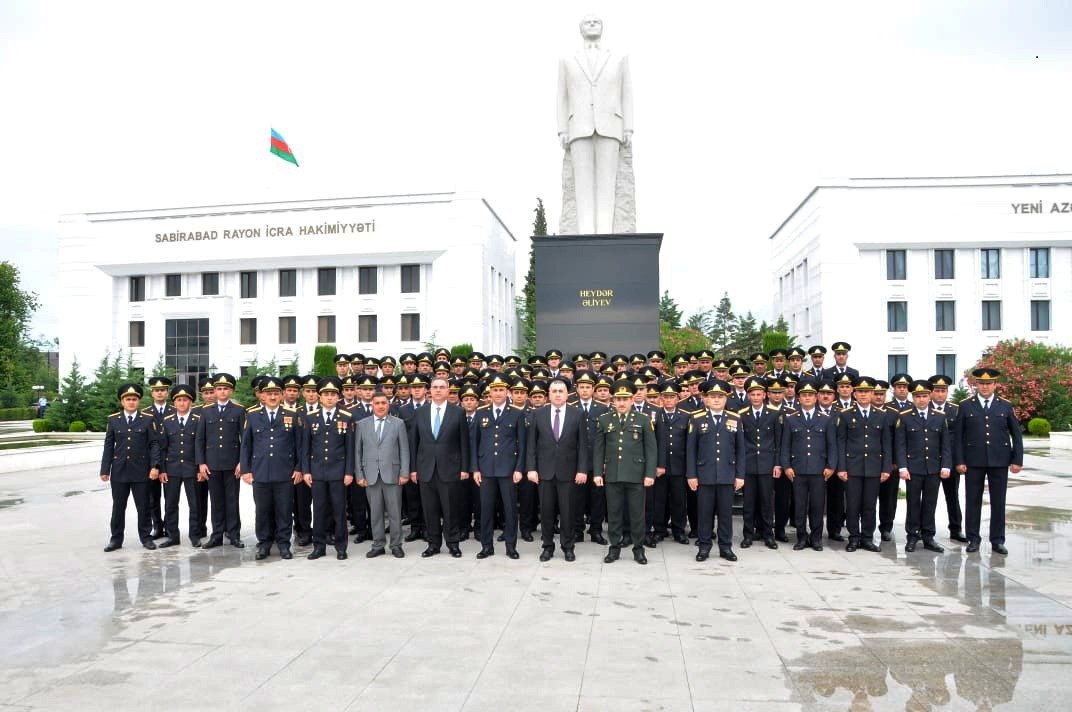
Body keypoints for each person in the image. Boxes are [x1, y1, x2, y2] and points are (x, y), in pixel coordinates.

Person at [557, 14, 634, 234]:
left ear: (603, 27)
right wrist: (562, 128)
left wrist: (628, 126)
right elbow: (561, 96)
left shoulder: (619, 57)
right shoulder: (567, 59)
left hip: (611, 126)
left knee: (607, 184)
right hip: (578, 127)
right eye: (588, 22)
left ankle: (605, 232)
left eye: (597, 21)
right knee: (582, 184)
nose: (592, 24)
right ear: (580, 28)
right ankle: (585, 232)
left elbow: (626, 94)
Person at [954, 368, 1024, 555]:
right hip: (973, 461)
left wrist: (1017, 460)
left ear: (995, 385)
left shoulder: (1005, 406)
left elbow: (1016, 435)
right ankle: (973, 539)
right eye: (981, 383)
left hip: (1000, 460)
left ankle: (997, 540)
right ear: (975, 384)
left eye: (988, 383)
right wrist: (959, 460)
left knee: (999, 502)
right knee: (973, 501)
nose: (984, 387)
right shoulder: (966, 405)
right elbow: (958, 436)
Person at [239, 377, 305, 560]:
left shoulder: (292, 415)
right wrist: (246, 470)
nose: (273, 396)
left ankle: (284, 544)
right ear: (262, 396)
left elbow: (299, 445)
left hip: (285, 472)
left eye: (276, 393)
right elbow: (246, 445)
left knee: (284, 510)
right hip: (260, 472)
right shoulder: (252, 416)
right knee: (262, 510)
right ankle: (264, 544)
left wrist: (299, 468)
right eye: (269, 394)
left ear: (282, 395)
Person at [593, 379, 656, 565]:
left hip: (636, 475)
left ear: (631, 400)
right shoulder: (605, 420)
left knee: (637, 515)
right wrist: (597, 473)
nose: (621, 403)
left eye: (625, 399)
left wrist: (650, 474)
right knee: (614, 514)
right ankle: (614, 549)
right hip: (613, 475)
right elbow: (599, 449)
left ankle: (638, 549)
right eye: (618, 399)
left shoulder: (643, 419)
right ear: (613, 400)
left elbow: (651, 449)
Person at [526, 378, 590, 562]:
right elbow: (531, 445)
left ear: (567, 394)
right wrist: (531, 468)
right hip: (544, 472)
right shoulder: (538, 413)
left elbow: (583, 446)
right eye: (554, 391)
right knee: (546, 512)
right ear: (549, 394)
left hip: (568, 472)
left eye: (561, 391)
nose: (557, 394)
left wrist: (582, 470)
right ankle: (547, 547)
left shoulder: (577, 414)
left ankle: (568, 547)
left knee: (568, 512)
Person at [409, 376, 471, 558]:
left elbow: (464, 443)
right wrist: (413, 469)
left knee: (451, 509)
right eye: (435, 387)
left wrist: (464, 468)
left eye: (442, 387)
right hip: (426, 469)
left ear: (448, 390)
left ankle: (453, 543)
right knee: (430, 510)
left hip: (450, 469)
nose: (438, 390)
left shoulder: (458, 412)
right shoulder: (420, 412)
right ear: (430, 390)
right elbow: (414, 443)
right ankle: (433, 544)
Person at [686, 379, 745, 562]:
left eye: (720, 397)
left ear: (726, 399)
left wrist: (740, 475)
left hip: (727, 474)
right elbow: (691, 450)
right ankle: (704, 547)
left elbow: (741, 449)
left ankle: (725, 547)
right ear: (706, 399)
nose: (717, 400)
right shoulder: (696, 418)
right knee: (704, 514)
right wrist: (692, 475)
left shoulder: (734, 418)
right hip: (705, 475)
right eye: (713, 396)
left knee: (726, 514)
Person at [471, 374, 527, 559]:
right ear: (490, 392)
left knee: (510, 509)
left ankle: (511, 546)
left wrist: (519, 468)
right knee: (485, 509)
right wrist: (475, 469)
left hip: (508, 470)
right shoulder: (481, 412)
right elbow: (474, 443)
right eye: (494, 390)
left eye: (501, 390)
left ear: (507, 392)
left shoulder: (517, 413)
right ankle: (487, 546)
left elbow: (522, 444)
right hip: (486, 469)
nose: (497, 393)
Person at [100, 383, 161, 551]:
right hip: (119, 471)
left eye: (134, 399)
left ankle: (146, 538)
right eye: (128, 399)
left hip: (141, 470)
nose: (131, 402)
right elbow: (108, 446)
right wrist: (105, 470)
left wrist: (155, 466)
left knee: (143, 506)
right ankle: (116, 539)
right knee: (118, 507)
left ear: (138, 401)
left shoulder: (147, 419)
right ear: (122, 402)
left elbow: (154, 444)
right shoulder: (113, 420)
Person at [835, 377, 892, 553]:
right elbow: (841, 443)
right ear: (855, 393)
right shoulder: (845, 415)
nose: (864, 395)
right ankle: (853, 538)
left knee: (869, 505)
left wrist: (886, 468)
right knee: (852, 504)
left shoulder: (882, 415)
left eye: (867, 392)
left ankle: (867, 538)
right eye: (860, 392)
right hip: (852, 467)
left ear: (872, 394)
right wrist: (842, 467)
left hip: (874, 467)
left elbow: (886, 444)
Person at [894, 380, 952, 553]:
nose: (921, 399)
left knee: (930, 503)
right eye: (918, 396)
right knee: (913, 503)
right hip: (913, 468)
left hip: (933, 468)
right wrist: (902, 467)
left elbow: (945, 445)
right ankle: (912, 536)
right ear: (913, 398)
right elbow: (900, 445)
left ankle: (928, 537)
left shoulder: (940, 417)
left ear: (930, 396)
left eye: (924, 396)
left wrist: (946, 465)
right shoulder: (904, 416)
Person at [302, 377, 355, 561]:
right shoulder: (310, 417)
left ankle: (341, 547)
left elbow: (350, 448)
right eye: (326, 394)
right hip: (317, 472)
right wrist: (306, 471)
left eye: (333, 394)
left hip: (338, 472)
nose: (330, 398)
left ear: (338, 396)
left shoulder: (346, 417)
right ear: (320, 396)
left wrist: (349, 472)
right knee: (319, 510)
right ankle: (319, 546)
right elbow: (305, 447)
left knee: (339, 511)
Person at [780, 380, 837, 551]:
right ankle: (801, 537)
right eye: (804, 395)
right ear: (799, 398)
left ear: (816, 397)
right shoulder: (791, 419)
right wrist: (786, 466)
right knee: (799, 505)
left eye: (810, 395)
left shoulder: (826, 419)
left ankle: (816, 538)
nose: (807, 398)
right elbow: (785, 446)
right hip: (798, 470)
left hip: (819, 470)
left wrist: (831, 466)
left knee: (817, 505)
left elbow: (832, 445)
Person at [355, 390, 409, 559]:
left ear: (388, 405)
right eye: (377, 403)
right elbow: (358, 451)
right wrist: (359, 474)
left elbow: (404, 450)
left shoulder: (398, 423)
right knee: (375, 513)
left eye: (383, 403)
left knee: (395, 513)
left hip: (393, 474)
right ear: (372, 405)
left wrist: (404, 472)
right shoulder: (362, 424)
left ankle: (396, 544)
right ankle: (378, 545)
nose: (380, 406)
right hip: (370, 475)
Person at [195, 373, 246, 549]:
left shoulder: (239, 410)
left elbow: (244, 439)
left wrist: (242, 462)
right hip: (212, 464)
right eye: (219, 389)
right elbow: (200, 439)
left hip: (233, 464)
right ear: (215, 391)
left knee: (232, 500)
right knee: (216, 501)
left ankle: (234, 535)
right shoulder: (206, 411)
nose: (222, 392)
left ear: (231, 390)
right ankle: (216, 535)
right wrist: (201, 463)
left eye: (226, 388)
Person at [157, 384, 204, 547]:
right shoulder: (167, 421)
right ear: (174, 403)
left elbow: (200, 445)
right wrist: (162, 469)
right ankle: (172, 536)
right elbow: (163, 447)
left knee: (195, 504)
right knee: (170, 504)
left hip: (192, 469)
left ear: (190, 402)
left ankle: (195, 535)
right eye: (178, 400)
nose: (182, 403)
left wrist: (199, 468)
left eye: (185, 400)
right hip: (172, 469)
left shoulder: (198, 420)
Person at [738, 377, 783, 550]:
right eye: (753, 394)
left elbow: (778, 442)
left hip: (767, 465)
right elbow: (740, 444)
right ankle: (748, 535)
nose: (756, 397)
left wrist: (777, 464)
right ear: (748, 396)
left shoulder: (774, 414)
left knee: (766, 502)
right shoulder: (742, 415)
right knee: (748, 503)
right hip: (748, 466)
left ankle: (768, 535)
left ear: (765, 395)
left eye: (759, 394)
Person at [928, 374, 967, 543]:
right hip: (929, 461)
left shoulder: (955, 410)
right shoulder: (923, 408)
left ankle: (956, 529)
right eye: (936, 390)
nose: (940, 394)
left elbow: (961, 438)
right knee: (929, 499)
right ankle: (926, 531)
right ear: (930, 392)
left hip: (949, 461)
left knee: (952, 496)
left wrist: (960, 461)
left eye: (943, 391)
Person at [141, 375, 174, 539]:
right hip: (151, 461)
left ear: (167, 392)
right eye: (156, 390)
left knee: (170, 498)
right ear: (151, 393)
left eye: (162, 390)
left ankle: (169, 527)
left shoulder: (175, 411)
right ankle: (157, 527)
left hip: (171, 460)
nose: (159, 393)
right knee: (153, 497)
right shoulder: (145, 413)